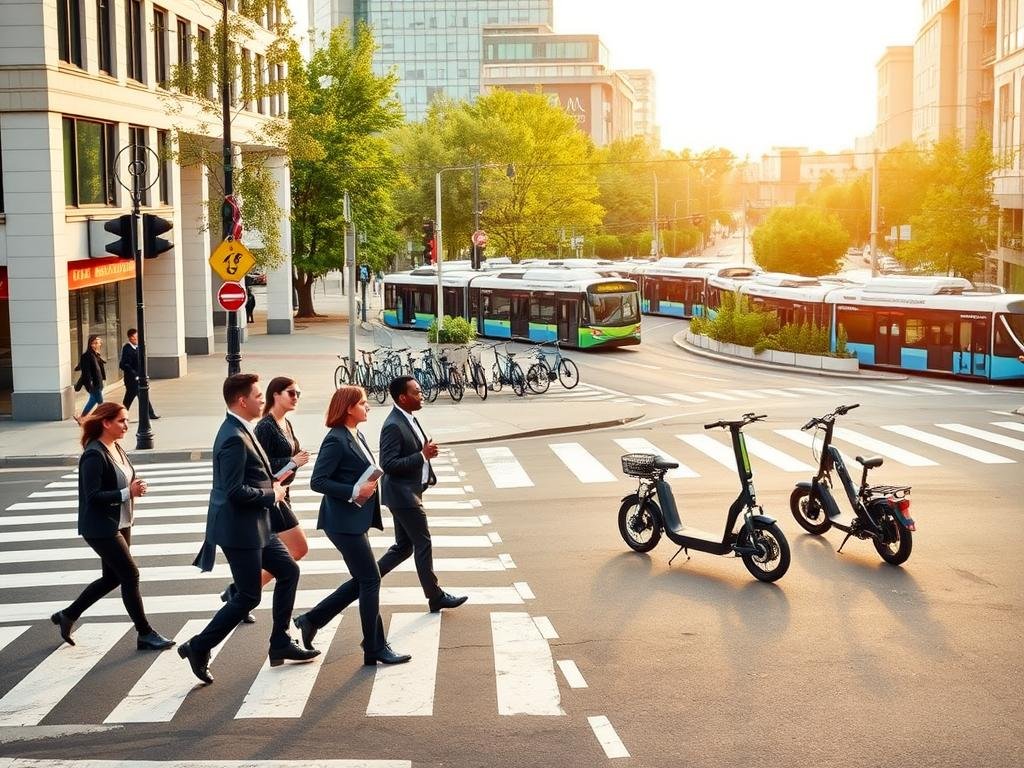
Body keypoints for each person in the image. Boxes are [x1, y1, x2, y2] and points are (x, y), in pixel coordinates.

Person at [179, 373, 319, 685]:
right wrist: (273, 494)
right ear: (242, 401)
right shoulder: (232, 436)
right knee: (248, 596)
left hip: (257, 523)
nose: (261, 399)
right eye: (257, 395)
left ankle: (280, 641)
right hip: (238, 528)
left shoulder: (245, 428)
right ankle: (198, 646)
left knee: (288, 571)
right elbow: (233, 491)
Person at [292, 386, 411, 666]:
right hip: (342, 522)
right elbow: (317, 481)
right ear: (348, 408)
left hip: (353, 521)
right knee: (371, 579)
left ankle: (311, 620)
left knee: (363, 579)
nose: (368, 407)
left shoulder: (355, 434)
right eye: (363, 403)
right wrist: (353, 491)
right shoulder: (336, 440)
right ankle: (374, 647)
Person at [51, 403, 174, 651]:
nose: (126, 425)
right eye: (121, 421)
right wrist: (126, 492)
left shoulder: (115, 447)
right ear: (106, 423)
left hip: (120, 521)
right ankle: (145, 633)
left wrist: (134, 487)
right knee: (130, 575)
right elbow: (92, 495)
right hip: (100, 526)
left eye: (127, 420)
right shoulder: (94, 455)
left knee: (112, 578)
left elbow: (121, 480)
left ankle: (68, 614)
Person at [218, 377, 311, 624]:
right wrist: (292, 463)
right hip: (270, 498)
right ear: (276, 395)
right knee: (297, 551)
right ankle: (240, 593)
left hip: (281, 495)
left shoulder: (286, 423)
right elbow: (262, 469)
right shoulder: (265, 427)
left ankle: (239, 592)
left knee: (290, 557)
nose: (296, 397)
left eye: (298, 392)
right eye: (291, 392)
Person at [378, 375, 466, 613]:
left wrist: (425, 454)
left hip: (408, 492)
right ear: (403, 397)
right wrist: (422, 455)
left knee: (403, 547)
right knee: (422, 542)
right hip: (403, 495)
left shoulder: (407, 418)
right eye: (416, 392)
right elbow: (388, 463)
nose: (422, 394)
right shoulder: (393, 424)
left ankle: (367, 577)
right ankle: (435, 596)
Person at [119, 328, 159, 420]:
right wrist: (134, 373)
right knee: (134, 398)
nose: (138, 339)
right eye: (136, 337)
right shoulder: (127, 349)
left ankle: (150, 413)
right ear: (131, 338)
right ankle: (122, 414)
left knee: (138, 397)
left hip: (138, 378)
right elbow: (123, 364)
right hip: (131, 379)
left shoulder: (137, 348)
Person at [74, 335, 106, 424]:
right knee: (101, 404)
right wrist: (90, 384)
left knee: (92, 401)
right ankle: (95, 420)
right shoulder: (87, 356)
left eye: (99, 342)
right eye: (98, 342)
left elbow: (99, 369)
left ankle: (82, 418)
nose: (100, 344)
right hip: (93, 384)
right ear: (92, 344)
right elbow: (86, 371)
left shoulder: (95, 354)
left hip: (98, 383)